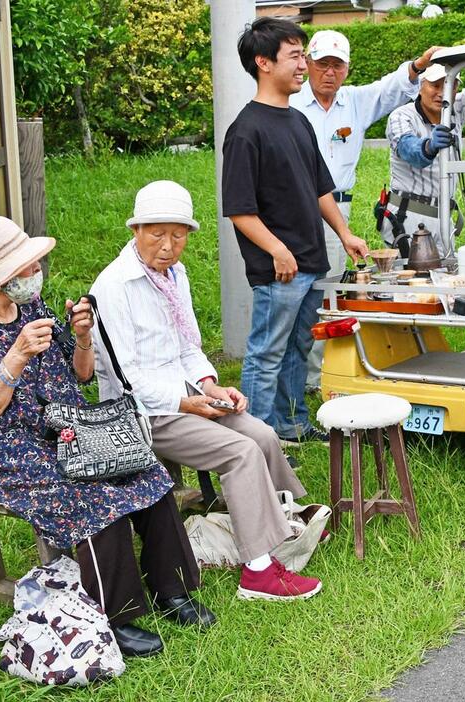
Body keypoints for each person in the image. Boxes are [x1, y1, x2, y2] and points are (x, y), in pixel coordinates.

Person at [0, 216, 214, 659]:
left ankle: (171, 590)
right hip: (11, 450)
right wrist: (17, 354)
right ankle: (115, 614)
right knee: (90, 497)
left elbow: (80, 376)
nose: (34, 274)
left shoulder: (34, 309)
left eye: (34, 265)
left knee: (148, 474)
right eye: (25, 268)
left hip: (72, 430)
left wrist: (83, 336)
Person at [91, 180, 323, 602]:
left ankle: (282, 529)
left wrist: (212, 386)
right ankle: (257, 572)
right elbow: (128, 379)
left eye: (178, 235)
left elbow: (187, 347)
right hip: (144, 413)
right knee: (240, 452)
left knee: (263, 434)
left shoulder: (173, 276)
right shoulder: (113, 287)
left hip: (185, 395)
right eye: (157, 233)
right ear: (136, 231)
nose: (168, 245)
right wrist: (189, 403)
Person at [222, 17, 369, 445]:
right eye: (295, 55)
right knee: (266, 354)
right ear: (263, 62)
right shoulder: (246, 131)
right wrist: (278, 251)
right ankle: (253, 440)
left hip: (311, 261)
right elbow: (240, 211)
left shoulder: (298, 121)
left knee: (296, 351)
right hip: (279, 269)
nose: (303, 64)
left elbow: (321, 187)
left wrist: (344, 234)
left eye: (303, 55)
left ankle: (291, 425)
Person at [289, 30, 442, 389]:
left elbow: (391, 87)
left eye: (337, 65)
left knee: (324, 290)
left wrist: (420, 64)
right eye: (322, 63)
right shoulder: (291, 103)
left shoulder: (354, 101)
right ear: (307, 64)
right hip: (292, 206)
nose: (329, 72)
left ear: (346, 69)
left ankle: (313, 377)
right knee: (288, 290)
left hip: (336, 208)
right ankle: (285, 373)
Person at [381, 62, 465, 257]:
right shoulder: (402, 116)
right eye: (435, 85)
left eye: (449, 85)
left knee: (445, 280)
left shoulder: (454, 109)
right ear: (420, 86)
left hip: (444, 215)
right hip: (409, 214)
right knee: (413, 282)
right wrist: (429, 146)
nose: (442, 92)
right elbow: (409, 149)